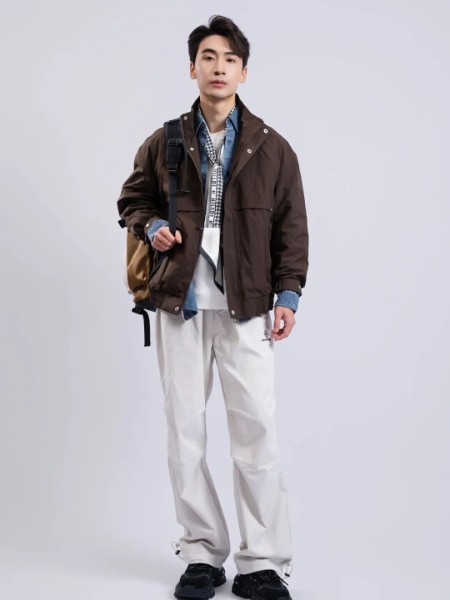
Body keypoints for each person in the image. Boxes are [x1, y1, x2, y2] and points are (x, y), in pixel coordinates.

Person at [117, 15, 308, 600]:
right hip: (181, 305)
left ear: (243, 72)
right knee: (185, 432)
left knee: (257, 433)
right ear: (192, 68)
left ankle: (263, 562)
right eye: (208, 56)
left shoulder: (273, 148)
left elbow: (291, 227)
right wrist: (151, 225)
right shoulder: (165, 140)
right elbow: (132, 198)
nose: (218, 66)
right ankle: (201, 554)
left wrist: (289, 294)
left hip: (248, 307)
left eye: (229, 58)